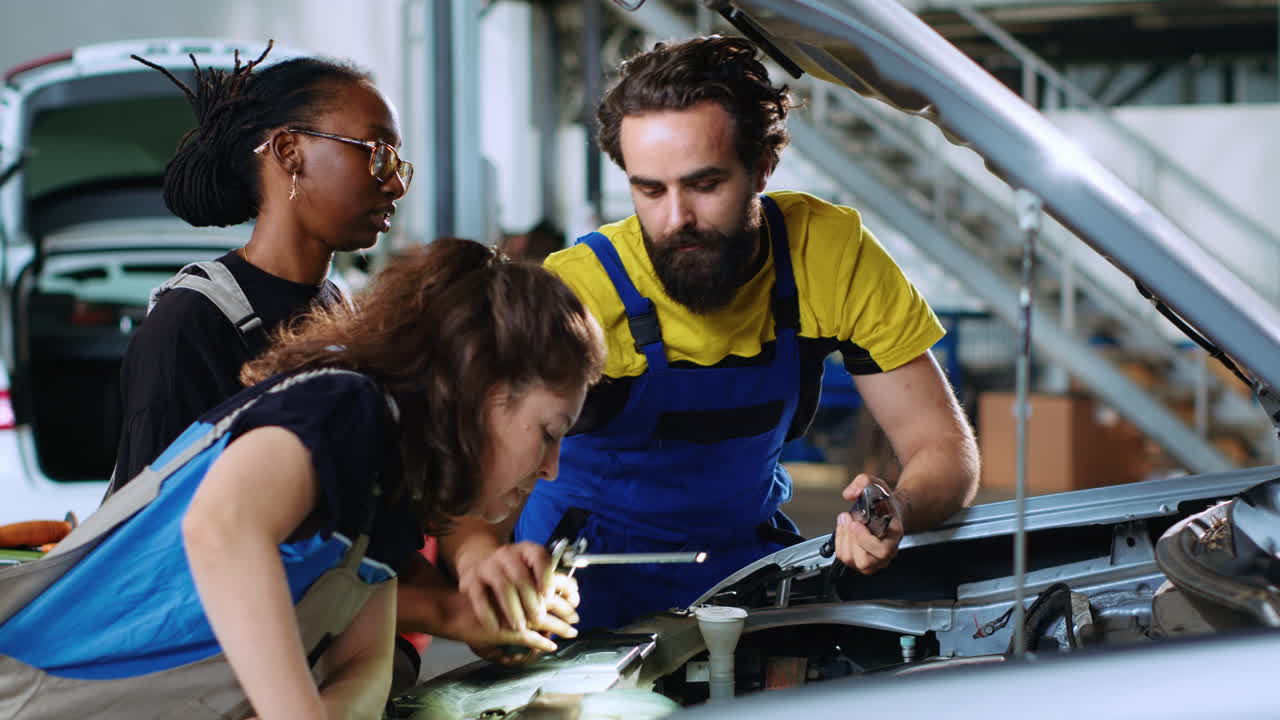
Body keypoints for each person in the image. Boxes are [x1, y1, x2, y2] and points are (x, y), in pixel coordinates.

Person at [439, 36, 981, 632]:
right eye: (650, 190)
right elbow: (474, 489)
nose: (676, 220)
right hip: (574, 584)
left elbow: (943, 448)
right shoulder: (576, 293)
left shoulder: (828, 255)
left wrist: (896, 507)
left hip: (741, 567)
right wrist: (481, 562)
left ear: (762, 168)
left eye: (704, 184)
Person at [0, 238, 606, 719]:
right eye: (549, 432)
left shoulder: (389, 492)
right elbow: (221, 528)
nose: (551, 468)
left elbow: (362, 670)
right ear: (484, 390)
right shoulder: (344, 408)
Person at [107, 41, 410, 494]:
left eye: (399, 163)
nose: (395, 184)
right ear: (289, 151)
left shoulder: (341, 308)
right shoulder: (189, 325)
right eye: (376, 152)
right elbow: (155, 527)